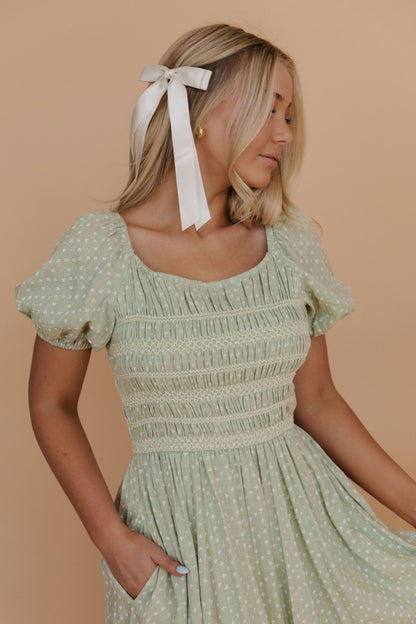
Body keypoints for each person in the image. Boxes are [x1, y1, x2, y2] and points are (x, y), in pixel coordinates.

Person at [15, 22, 416, 624]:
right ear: (202, 113)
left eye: (289, 116)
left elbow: (319, 403)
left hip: (302, 531)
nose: (285, 133)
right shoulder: (101, 251)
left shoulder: (287, 246)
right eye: (270, 109)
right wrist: (111, 539)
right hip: (179, 540)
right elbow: (51, 403)